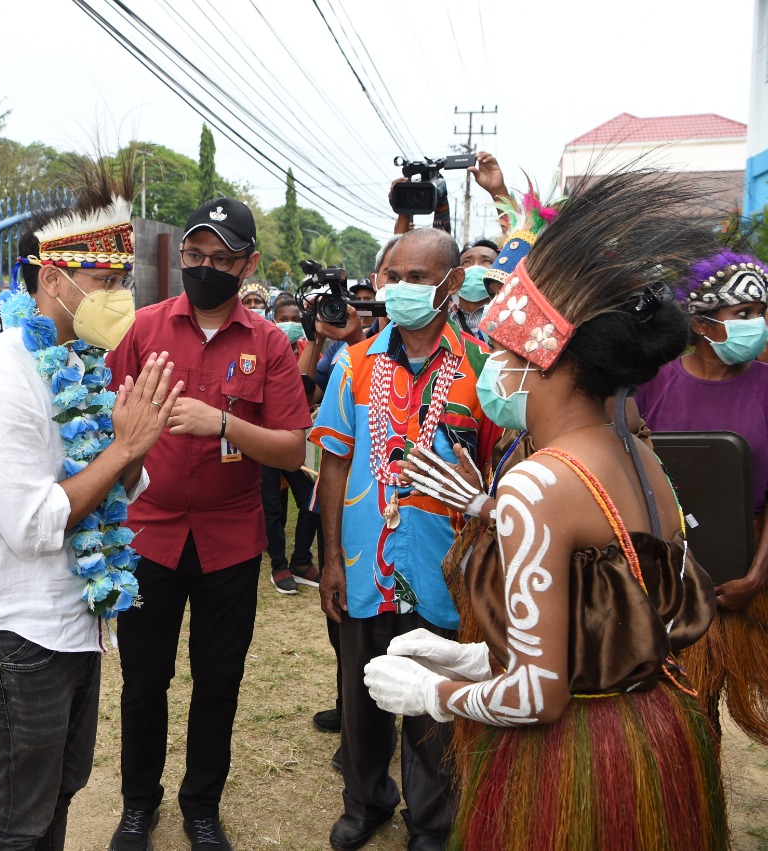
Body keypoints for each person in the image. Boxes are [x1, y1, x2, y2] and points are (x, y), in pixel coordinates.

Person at [364, 171, 726, 850]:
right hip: (652, 733)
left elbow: (539, 693)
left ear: (545, 359)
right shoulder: (641, 456)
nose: (490, 369)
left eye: (501, 352)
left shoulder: (539, 483)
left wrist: (429, 693)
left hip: (577, 760)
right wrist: (464, 657)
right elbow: (600, 628)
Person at [0, 168, 181, 849]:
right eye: (106, 280)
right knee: (22, 813)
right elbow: (33, 525)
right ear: (53, 279)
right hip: (15, 631)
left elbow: (111, 488)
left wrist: (132, 446)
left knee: (63, 786)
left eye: (122, 279)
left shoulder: (77, 364)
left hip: (73, 621)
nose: (120, 296)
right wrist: (122, 449)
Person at [105, 196, 313, 851]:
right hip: (149, 533)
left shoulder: (270, 342)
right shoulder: (143, 329)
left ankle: (201, 804)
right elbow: (108, 414)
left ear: (247, 263)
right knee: (144, 680)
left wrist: (222, 422)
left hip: (228, 538)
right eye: (195, 256)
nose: (204, 268)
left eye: (221, 258)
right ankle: (139, 803)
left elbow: (293, 448)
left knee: (218, 681)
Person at [311, 226, 500, 851]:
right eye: (392, 277)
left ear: (450, 285)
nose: (400, 289)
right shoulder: (353, 363)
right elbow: (334, 463)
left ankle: (432, 822)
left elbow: (504, 473)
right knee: (362, 697)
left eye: (417, 279)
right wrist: (330, 557)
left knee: (434, 705)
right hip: (367, 567)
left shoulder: (485, 370)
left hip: (444, 574)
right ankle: (366, 803)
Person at [637, 248, 768, 748]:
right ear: (701, 322)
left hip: (742, 568)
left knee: (704, 704)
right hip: (663, 573)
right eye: (742, 314)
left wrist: (756, 576)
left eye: (759, 312)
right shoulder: (653, 383)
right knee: (670, 709)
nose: (756, 324)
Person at [263, 293, 322, 594]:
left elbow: (307, 390)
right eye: (283, 319)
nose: (289, 325)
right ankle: (278, 565)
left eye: (296, 320)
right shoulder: (262, 347)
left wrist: (315, 340)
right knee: (272, 509)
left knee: (313, 501)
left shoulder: (305, 349)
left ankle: (301, 560)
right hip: (264, 442)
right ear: (273, 318)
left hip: (295, 442)